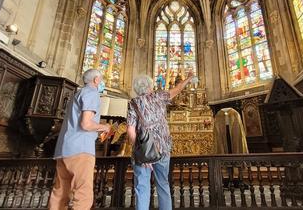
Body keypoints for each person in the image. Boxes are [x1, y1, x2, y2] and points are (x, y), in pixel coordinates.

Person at [126, 72, 194, 210]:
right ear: (150, 87)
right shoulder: (159, 97)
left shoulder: (133, 103)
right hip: (162, 149)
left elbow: (130, 131)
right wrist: (188, 78)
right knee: (163, 184)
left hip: (143, 152)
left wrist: (142, 155)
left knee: (142, 187)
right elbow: (178, 88)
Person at [48, 69, 111, 210]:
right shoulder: (92, 93)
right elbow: (86, 124)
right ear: (96, 80)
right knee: (83, 194)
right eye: (101, 80)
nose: (101, 83)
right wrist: (105, 127)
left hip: (64, 149)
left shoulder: (77, 94)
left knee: (60, 192)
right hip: (80, 150)